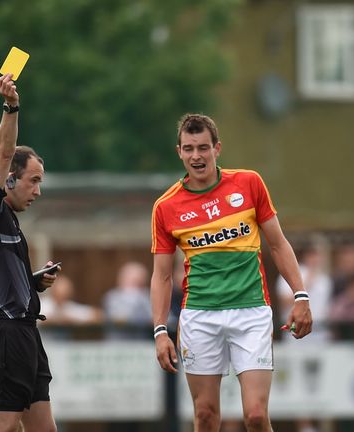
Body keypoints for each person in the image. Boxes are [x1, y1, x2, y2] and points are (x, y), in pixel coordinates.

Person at [150, 113, 312, 432]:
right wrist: (158, 330)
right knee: (206, 415)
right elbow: (162, 276)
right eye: (189, 148)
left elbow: (278, 244)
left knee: (254, 415)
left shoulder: (248, 183)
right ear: (179, 152)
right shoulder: (165, 206)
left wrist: (301, 295)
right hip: (199, 316)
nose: (196, 156)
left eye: (203, 148)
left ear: (217, 148)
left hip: (250, 311)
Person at [0, 74, 59, 432]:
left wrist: (33, 283)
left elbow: (1, 279)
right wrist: (11, 106)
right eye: (34, 180)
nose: (38, 190)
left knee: (43, 429)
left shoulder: (10, 223)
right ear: (9, 179)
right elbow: (3, 152)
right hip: (4, 335)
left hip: (25, 332)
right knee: (0, 426)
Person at [103, 261, 155, 340]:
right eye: (133, 280)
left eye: (139, 281)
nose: (136, 284)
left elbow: (163, 319)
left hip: (142, 343)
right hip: (117, 343)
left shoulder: (147, 296)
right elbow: (119, 318)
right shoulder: (112, 297)